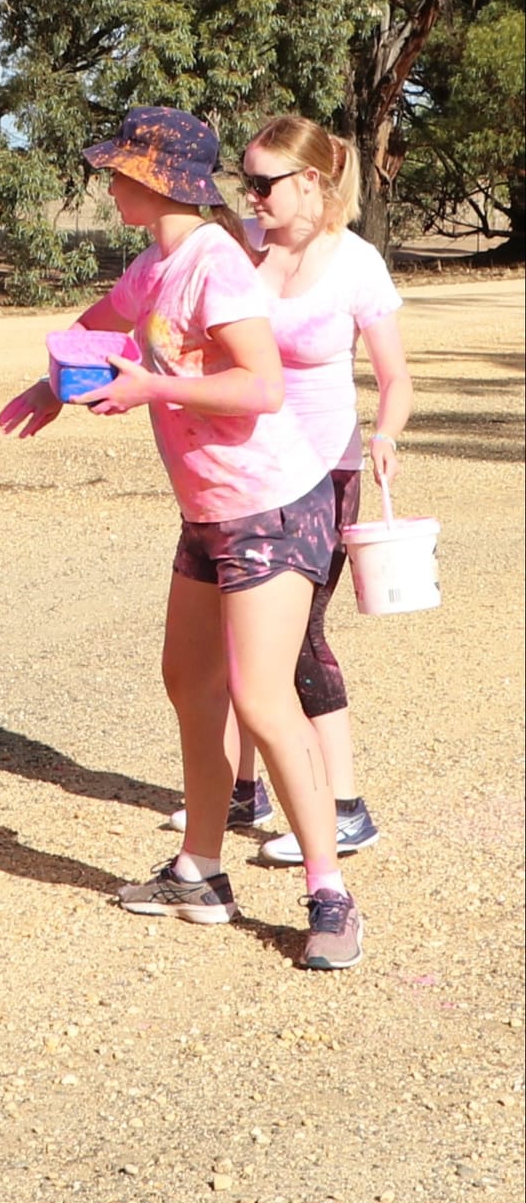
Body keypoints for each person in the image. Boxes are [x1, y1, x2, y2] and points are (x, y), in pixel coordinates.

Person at [0, 108, 365, 971]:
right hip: (211, 512)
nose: (109, 181)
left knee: (263, 699)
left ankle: (329, 892)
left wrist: (151, 390)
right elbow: (101, 324)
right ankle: (202, 868)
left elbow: (262, 387)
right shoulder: (157, 263)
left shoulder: (213, 266)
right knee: (187, 682)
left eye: (121, 170)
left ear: (161, 180)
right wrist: (56, 384)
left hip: (271, 506)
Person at [167, 117, 410, 863]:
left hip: (324, 473)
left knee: (295, 638)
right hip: (247, 469)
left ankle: (343, 805)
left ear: (311, 181)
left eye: (265, 183)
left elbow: (396, 377)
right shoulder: (241, 242)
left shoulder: (356, 263)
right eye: (247, 183)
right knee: (234, 643)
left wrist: (385, 435)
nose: (253, 196)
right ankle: (243, 790)